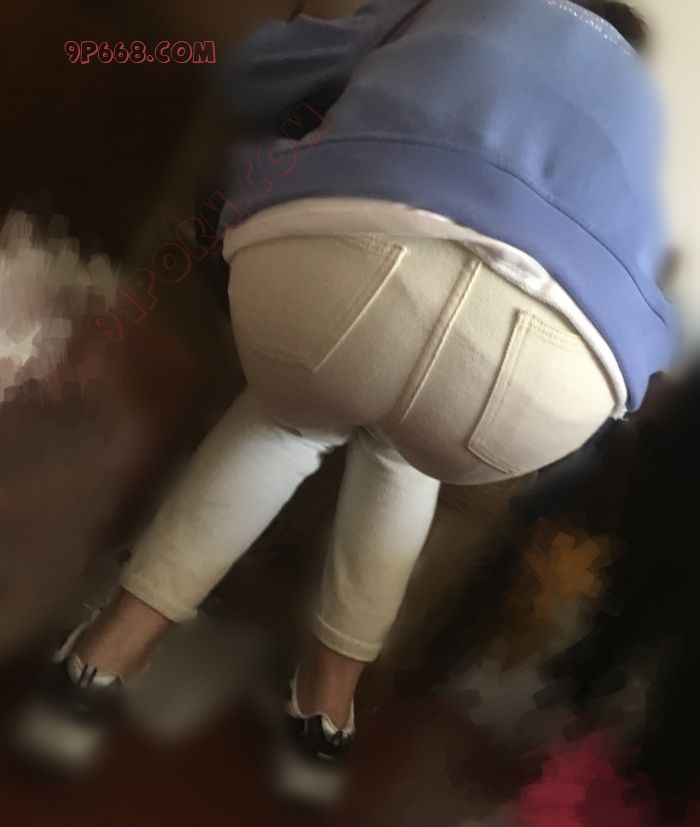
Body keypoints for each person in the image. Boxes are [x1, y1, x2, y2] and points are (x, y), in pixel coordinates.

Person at [18, 0, 672, 804]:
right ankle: (324, 720)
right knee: (405, 454)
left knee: (285, 418)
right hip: (558, 375)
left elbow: (257, 73)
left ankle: (95, 670)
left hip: (359, 257)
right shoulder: (641, 111)